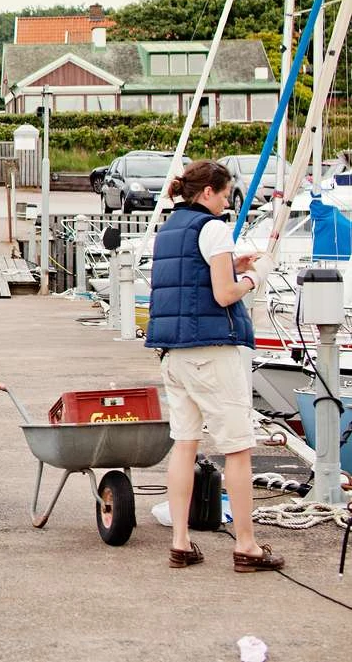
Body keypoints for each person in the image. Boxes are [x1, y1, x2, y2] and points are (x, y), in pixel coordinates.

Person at [146, 159, 282, 573]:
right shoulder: (215, 228)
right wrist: (255, 277)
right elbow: (224, 295)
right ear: (208, 192)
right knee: (238, 448)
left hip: (174, 354)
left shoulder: (168, 229)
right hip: (211, 352)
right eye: (224, 195)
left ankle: (180, 542)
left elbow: (189, 277)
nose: (227, 203)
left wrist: (232, 266)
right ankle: (247, 546)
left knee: (185, 445)